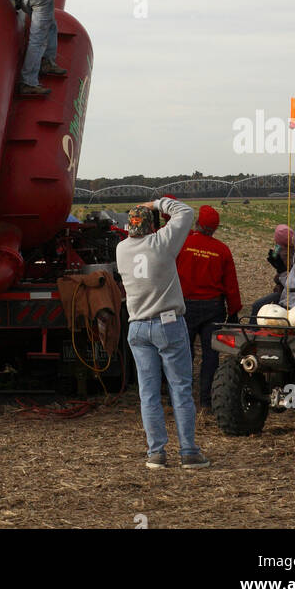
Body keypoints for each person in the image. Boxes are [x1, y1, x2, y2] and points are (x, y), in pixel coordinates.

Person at [116, 197, 209, 469]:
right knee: (180, 389)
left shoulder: (121, 249)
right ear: (151, 227)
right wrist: (157, 203)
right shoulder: (161, 243)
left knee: (148, 393)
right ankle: (189, 451)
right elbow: (186, 212)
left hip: (137, 327)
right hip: (167, 324)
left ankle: (156, 453)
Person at [176, 205, 242, 409]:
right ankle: (206, 400)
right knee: (211, 355)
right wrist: (234, 312)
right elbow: (231, 285)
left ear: (197, 223)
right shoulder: (222, 250)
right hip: (213, 307)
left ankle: (180, 400)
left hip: (185, 306)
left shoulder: (182, 244)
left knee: (183, 354)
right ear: (215, 228)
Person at [250, 224, 294, 321]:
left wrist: (279, 273)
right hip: (282, 288)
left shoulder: (291, 255)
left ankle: (252, 330)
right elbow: (274, 257)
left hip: (287, 293)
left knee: (257, 306)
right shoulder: (280, 249)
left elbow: (289, 279)